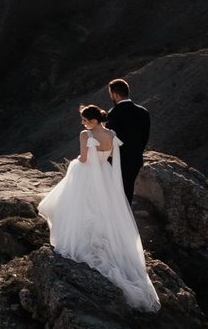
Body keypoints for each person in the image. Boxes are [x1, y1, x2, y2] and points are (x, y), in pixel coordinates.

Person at [37, 105, 160, 312]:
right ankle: (103, 241)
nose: (83, 123)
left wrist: (76, 162)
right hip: (104, 173)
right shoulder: (111, 134)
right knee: (103, 209)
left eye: (85, 120)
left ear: (93, 121)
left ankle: (83, 239)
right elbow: (110, 155)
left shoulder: (86, 135)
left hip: (88, 173)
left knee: (83, 207)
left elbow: (84, 159)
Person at [104, 77, 150, 203]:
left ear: (115, 94)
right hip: (135, 159)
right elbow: (145, 137)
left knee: (116, 194)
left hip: (118, 160)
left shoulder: (113, 113)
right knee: (128, 191)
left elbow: (111, 139)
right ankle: (128, 214)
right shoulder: (143, 112)